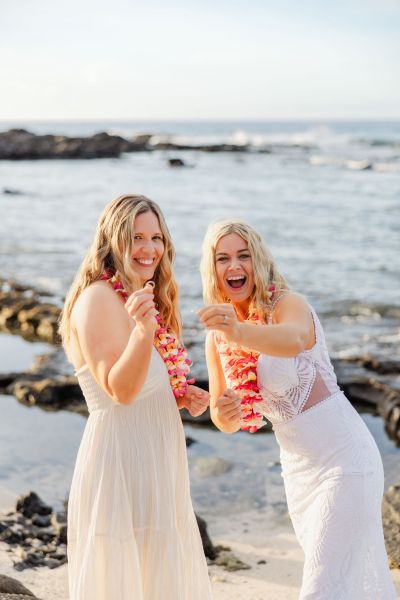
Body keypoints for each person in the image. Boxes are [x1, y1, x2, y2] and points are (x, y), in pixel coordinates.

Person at [198, 219, 396, 600]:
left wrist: (238, 331)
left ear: (259, 261)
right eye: (223, 258)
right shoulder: (217, 336)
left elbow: (293, 339)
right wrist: (225, 410)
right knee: (342, 581)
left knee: (321, 583)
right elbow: (223, 419)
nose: (234, 266)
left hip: (346, 460)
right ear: (213, 269)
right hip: (299, 472)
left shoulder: (288, 304)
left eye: (243, 255)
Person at [60, 194, 212, 600]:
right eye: (137, 237)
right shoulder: (98, 299)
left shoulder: (137, 296)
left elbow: (140, 381)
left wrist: (179, 395)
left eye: (156, 237)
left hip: (155, 456)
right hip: (121, 463)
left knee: (155, 575)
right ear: (113, 240)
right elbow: (119, 392)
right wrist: (144, 331)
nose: (149, 249)